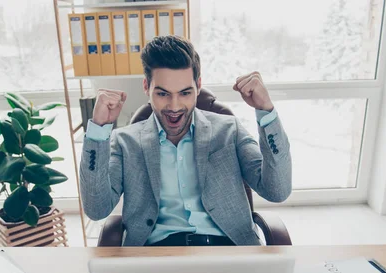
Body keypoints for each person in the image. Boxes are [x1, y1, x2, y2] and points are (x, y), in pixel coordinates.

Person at [80, 35, 291, 246]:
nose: (174, 106)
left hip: (228, 250)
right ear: (146, 87)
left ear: (198, 86)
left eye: (185, 93)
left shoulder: (229, 130)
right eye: (163, 94)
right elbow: (97, 209)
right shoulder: (125, 141)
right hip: (155, 257)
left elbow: (277, 190)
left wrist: (266, 111)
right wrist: (98, 129)